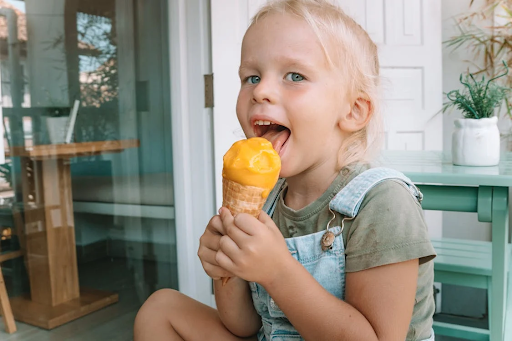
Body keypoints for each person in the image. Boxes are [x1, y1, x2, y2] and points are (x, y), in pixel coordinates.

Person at [133, 0, 436, 340]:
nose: (260, 90)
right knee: (162, 309)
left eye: (295, 76)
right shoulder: (267, 200)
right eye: (252, 77)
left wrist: (278, 271)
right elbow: (243, 325)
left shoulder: (383, 204)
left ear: (353, 111)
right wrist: (226, 270)